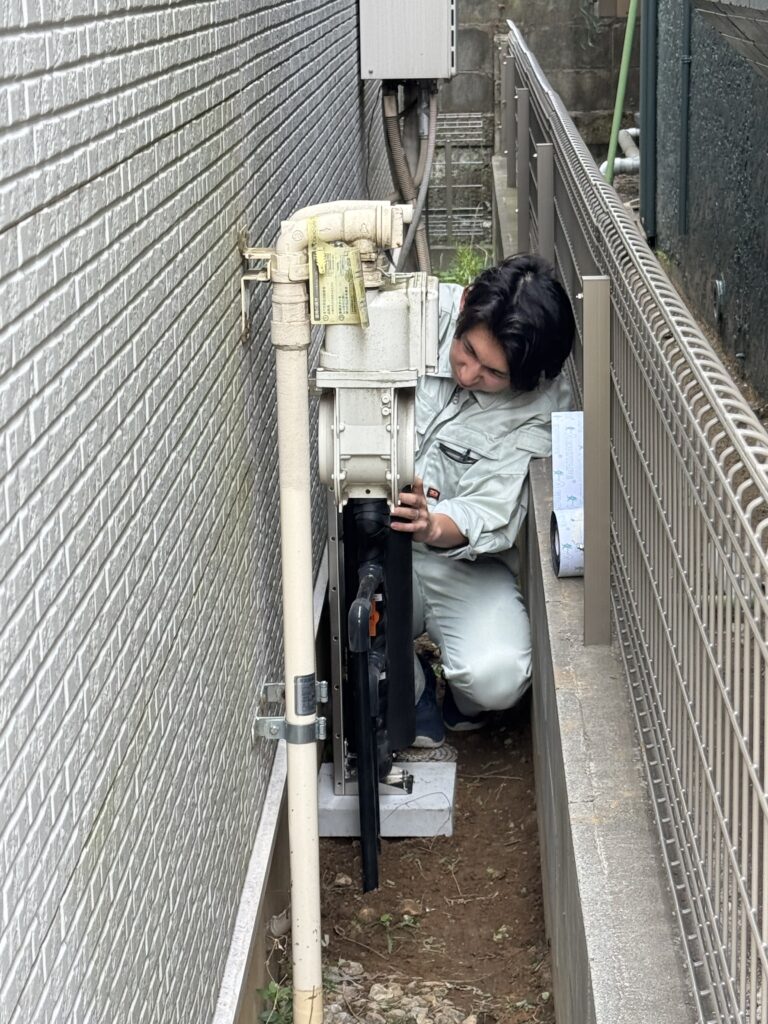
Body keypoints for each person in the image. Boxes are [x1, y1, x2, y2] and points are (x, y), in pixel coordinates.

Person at [390, 254, 575, 747]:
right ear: (466, 301)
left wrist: (433, 525)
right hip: (380, 544)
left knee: (498, 677)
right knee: (352, 612)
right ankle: (410, 687)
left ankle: (461, 702)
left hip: (461, 561)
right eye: (467, 350)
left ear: (527, 379)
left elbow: (490, 508)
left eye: (493, 373)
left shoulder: (542, 406)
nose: (468, 373)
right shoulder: (417, 312)